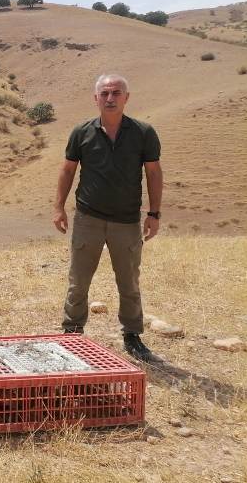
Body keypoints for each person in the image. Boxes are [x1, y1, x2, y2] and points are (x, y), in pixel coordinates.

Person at [53, 74, 163, 362]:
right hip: (88, 218)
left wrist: (153, 213)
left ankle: (132, 335)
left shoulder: (143, 133)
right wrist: (58, 207)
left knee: (128, 280)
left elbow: (153, 172)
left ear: (127, 97)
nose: (110, 98)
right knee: (78, 280)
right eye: (104, 93)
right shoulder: (82, 132)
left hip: (126, 221)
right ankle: (72, 332)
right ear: (96, 98)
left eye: (116, 92)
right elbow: (67, 170)